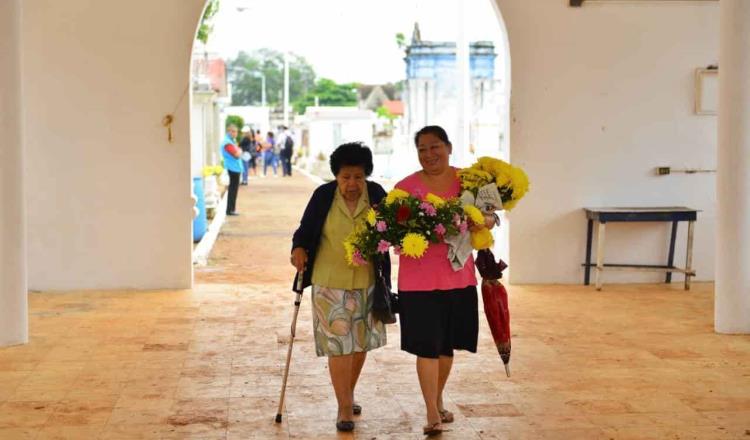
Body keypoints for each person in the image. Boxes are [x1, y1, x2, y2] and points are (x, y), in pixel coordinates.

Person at [394, 125, 495, 436]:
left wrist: (486, 219)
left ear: (449, 147)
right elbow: (394, 239)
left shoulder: (469, 181)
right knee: (427, 347)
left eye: (434, 146)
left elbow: (491, 215)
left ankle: (437, 398)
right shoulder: (404, 188)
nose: (429, 154)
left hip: (459, 278)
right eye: (422, 149)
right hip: (418, 283)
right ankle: (430, 413)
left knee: (446, 347)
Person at [290, 142, 390, 433]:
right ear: (336, 176)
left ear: (366, 176)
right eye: (346, 177)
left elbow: (393, 228)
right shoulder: (323, 196)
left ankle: (348, 392)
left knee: (360, 345)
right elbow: (304, 230)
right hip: (329, 282)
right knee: (339, 347)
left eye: (358, 177)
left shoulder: (378, 196)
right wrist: (298, 248)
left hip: (368, 281)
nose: (352, 184)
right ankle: (344, 405)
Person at [221, 124, 243, 216]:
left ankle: (231, 209)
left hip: (234, 167)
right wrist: (240, 151)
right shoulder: (228, 143)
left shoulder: (231, 141)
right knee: (232, 190)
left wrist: (239, 151)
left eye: (236, 131)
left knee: (233, 190)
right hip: (232, 168)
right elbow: (236, 154)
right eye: (233, 131)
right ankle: (230, 210)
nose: (235, 133)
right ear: (228, 132)